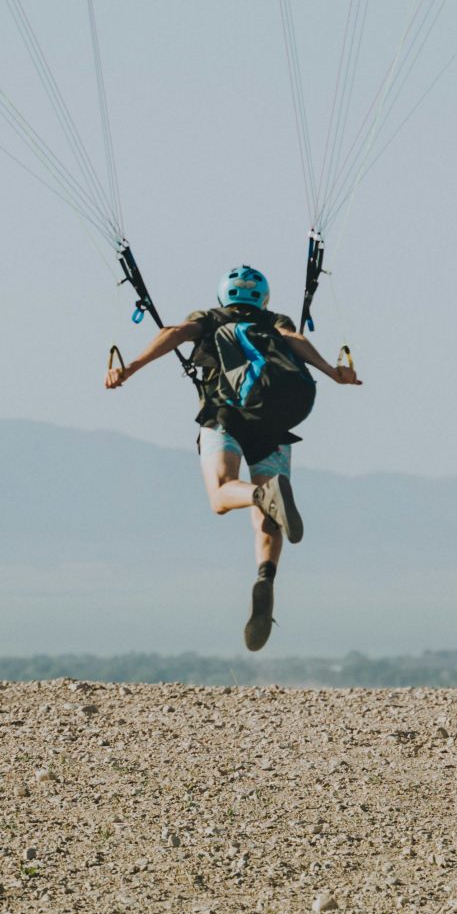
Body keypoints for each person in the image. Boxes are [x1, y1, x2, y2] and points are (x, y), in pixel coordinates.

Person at [104, 264, 361, 651]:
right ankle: (265, 576)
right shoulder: (276, 321)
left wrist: (131, 368)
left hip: (225, 414)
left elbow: (173, 334)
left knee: (223, 493)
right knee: (272, 507)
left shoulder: (210, 318)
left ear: (225, 295)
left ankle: (262, 494)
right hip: (275, 422)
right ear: (264, 297)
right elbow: (295, 341)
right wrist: (330, 370)